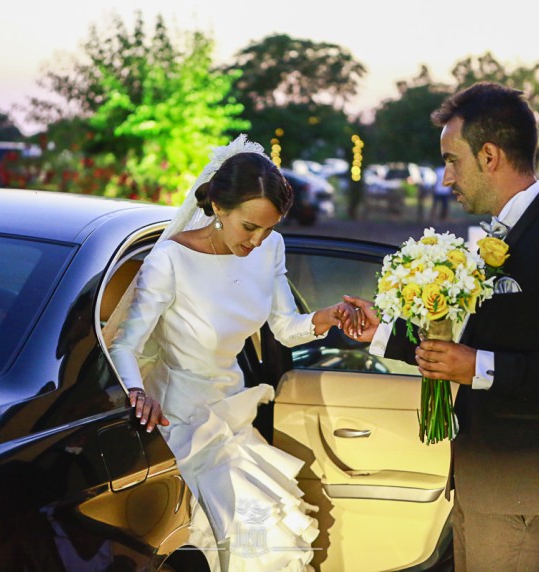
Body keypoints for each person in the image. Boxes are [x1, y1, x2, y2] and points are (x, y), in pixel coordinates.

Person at [343, 82, 539, 571]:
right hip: (481, 476)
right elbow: (469, 347)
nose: (445, 176)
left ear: (489, 155)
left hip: (523, 484)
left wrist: (481, 367)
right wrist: (384, 333)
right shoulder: (502, 235)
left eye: (452, 160)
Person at [107, 135, 356, 571]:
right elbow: (126, 342)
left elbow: (283, 327)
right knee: (209, 538)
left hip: (231, 413)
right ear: (218, 208)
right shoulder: (171, 259)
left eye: (268, 229)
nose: (258, 240)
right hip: (178, 418)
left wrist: (327, 317)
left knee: (260, 540)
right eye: (249, 227)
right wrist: (135, 392)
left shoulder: (270, 250)